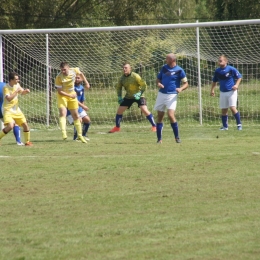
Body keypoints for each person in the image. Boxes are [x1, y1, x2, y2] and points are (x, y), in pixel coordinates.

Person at [109, 63, 156, 133]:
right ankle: (117, 127)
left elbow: (144, 85)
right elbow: (118, 88)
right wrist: (119, 97)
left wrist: (139, 93)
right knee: (119, 111)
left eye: (126, 68)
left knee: (144, 110)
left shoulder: (135, 76)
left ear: (130, 69)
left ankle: (154, 126)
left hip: (139, 96)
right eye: (123, 68)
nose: (124, 69)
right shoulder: (122, 78)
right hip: (128, 96)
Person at [154, 53, 188, 144]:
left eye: (167, 59)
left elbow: (186, 83)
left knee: (170, 115)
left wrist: (181, 88)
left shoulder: (180, 70)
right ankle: (159, 139)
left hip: (172, 95)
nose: (166, 60)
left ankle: (177, 138)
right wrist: (159, 84)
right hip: (161, 94)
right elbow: (158, 79)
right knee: (160, 116)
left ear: (172, 60)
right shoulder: (164, 68)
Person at [55, 61, 88, 143]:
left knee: (76, 115)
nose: (63, 71)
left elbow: (81, 74)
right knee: (63, 113)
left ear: (68, 68)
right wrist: (70, 96)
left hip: (72, 94)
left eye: (64, 70)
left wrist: (86, 83)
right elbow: (59, 91)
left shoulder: (74, 70)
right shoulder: (59, 77)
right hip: (62, 96)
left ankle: (80, 136)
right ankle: (64, 133)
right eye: (61, 70)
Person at [210, 55, 242, 130]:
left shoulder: (231, 69)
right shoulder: (217, 71)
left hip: (231, 91)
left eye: (221, 60)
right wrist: (212, 90)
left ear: (226, 61)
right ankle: (225, 126)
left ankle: (239, 125)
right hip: (222, 92)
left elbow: (239, 77)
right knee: (224, 109)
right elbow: (214, 81)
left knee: (232, 107)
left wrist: (236, 85)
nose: (219, 62)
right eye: (219, 60)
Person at [0, 72, 32, 146]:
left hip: (16, 109)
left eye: (18, 79)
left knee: (25, 125)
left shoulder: (17, 85)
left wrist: (26, 91)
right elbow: (9, 99)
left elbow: (22, 92)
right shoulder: (6, 87)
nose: (18, 80)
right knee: (10, 126)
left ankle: (27, 142)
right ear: (11, 80)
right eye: (16, 79)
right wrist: (16, 91)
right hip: (7, 109)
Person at [67, 74, 91, 141]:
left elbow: (82, 100)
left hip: (79, 109)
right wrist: (83, 106)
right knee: (78, 120)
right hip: (71, 109)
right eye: (75, 78)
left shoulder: (82, 88)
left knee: (87, 120)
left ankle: (83, 135)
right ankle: (75, 137)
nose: (77, 79)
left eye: (78, 78)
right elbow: (74, 100)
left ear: (82, 79)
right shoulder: (72, 88)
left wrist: (83, 109)